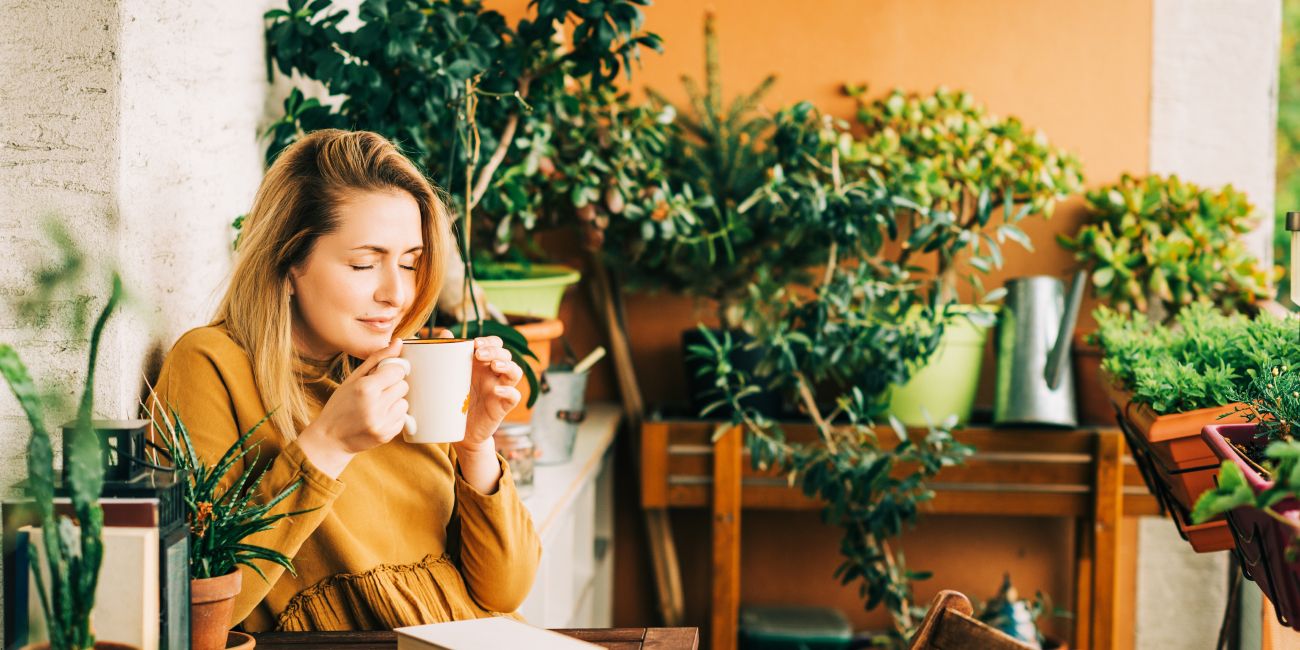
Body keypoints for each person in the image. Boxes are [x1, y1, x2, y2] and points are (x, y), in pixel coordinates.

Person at [151, 129, 540, 632]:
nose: (397, 293)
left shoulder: (407, 368)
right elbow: (194, 605)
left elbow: (504, 590)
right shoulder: (211, 366)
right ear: (290, 260)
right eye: (363, 263)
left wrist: (475, 444)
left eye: (410, 263)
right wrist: (328, 445)